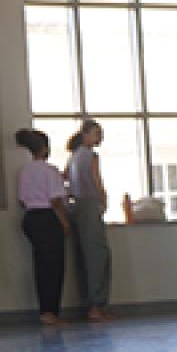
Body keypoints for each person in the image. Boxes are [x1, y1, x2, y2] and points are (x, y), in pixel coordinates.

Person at [14, 128, 69, 326]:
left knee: (41, 264)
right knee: (54, 266)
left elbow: (22, 200)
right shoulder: (49, 170)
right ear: (45, 149)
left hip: (30, 218)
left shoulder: (24, 171)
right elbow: (55, 200)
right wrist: (64, 222)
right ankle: (50, 311)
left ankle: (45, 310)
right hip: (47, 218)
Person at [65, 119, 112, 321]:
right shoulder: (91, 155)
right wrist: (103, 200)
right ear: (85, 134)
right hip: (89, 204)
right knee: (98, 255)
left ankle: (89, 303)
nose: (99, 137)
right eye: (96, 133)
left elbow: (65, 177)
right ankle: (96, 305)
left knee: (83, 255)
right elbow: (96, 179)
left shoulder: (73, 156)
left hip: (75, 206)